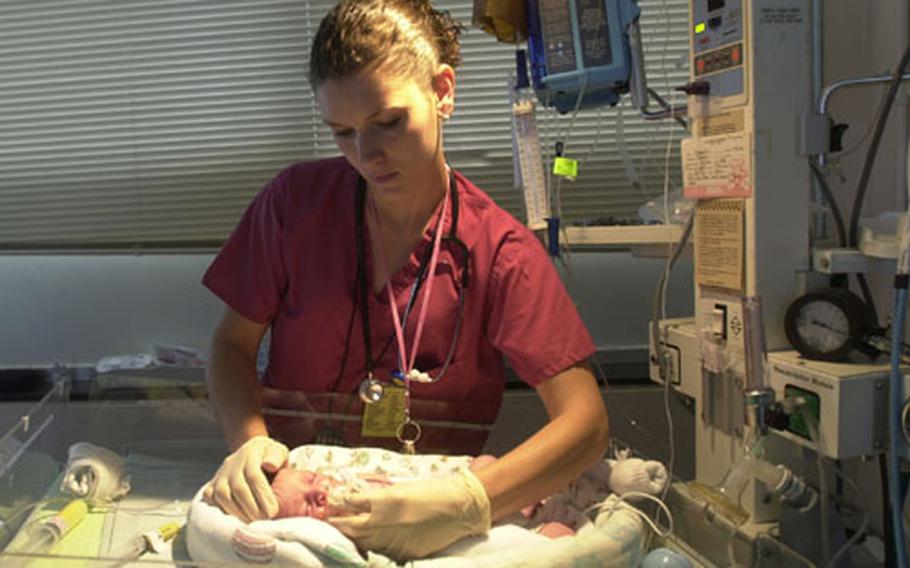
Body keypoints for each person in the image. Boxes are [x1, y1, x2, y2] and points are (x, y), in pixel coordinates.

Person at [201, 0, 609, 560]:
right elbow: (231, 345)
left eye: (387, 123)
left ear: (442, 91)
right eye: (342, 132)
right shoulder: (294, 206)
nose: (366, 155)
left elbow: (585, 424)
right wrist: (251, 448)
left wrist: (466, 500)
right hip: (295, 510)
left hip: (423, 529)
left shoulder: (499, 251)